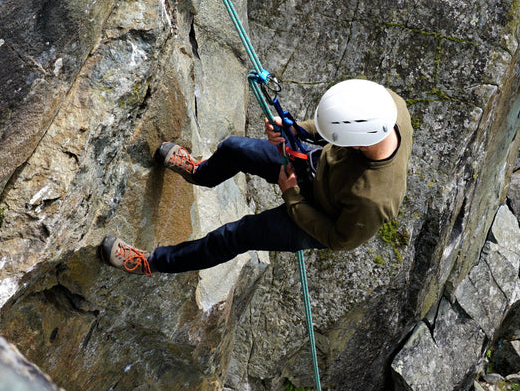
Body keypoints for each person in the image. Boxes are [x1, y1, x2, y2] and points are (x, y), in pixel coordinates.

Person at [99, 79, 412, 274]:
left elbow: (338, 240)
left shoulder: (373, 199)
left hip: (316, 217)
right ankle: (200, 173)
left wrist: (291, 196)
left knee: (235, 235)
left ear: (359, 142)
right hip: (315, 168)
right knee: (235, 148)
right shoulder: (386, 106)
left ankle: (151, 263)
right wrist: (295, 130)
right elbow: (335, 125)